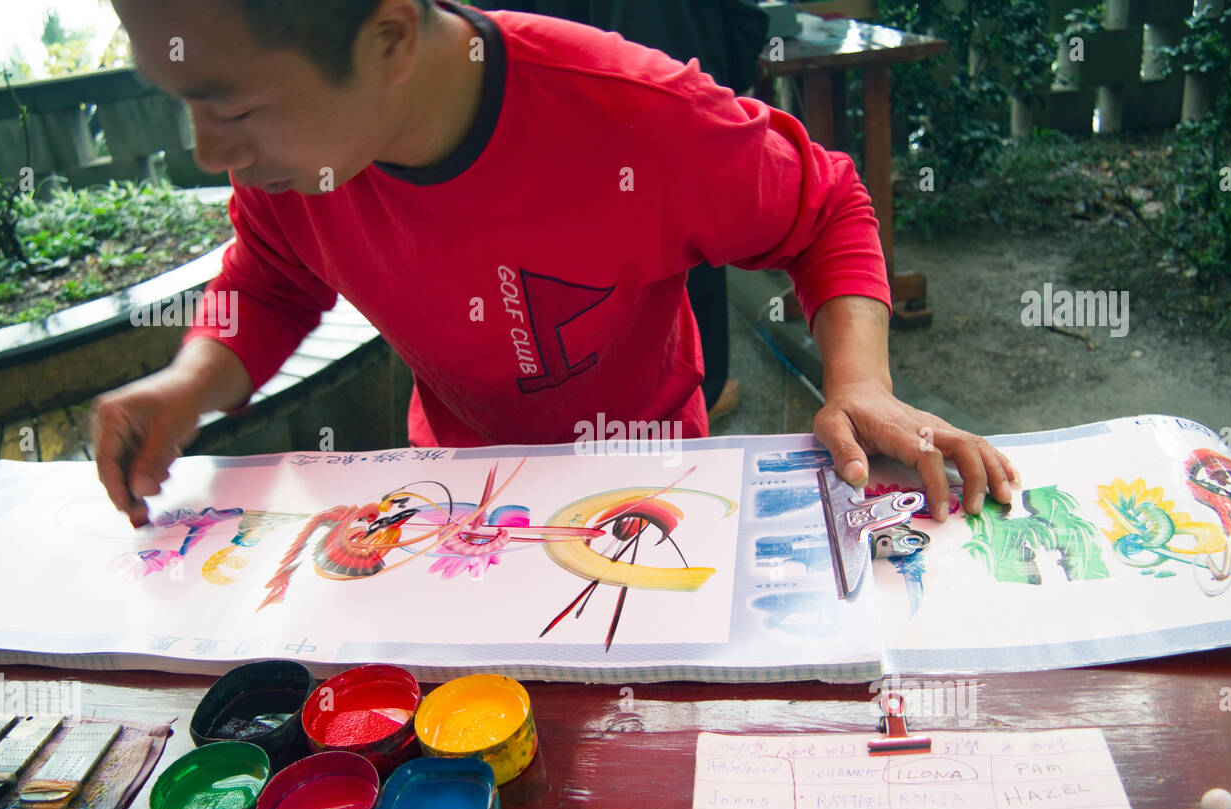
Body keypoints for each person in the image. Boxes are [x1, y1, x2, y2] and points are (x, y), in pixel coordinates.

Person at [93, 0, 1017, 533]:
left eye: (234, 108)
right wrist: (189, 383)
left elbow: (824, 207)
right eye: (182, 106)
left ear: (387, 42)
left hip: (654, 486)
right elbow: (271, 280)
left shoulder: (629, 114)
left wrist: (861, 381)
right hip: (457, 504)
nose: (208, 152)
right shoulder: (296, 167)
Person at [473, 0, 771, 421]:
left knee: (562, 266)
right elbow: (741, 17)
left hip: (546, 99)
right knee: (681, 238)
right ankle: (698, 388)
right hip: (668, 76)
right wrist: (730, 81)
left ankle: (588, 408)